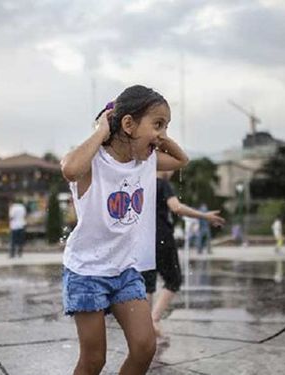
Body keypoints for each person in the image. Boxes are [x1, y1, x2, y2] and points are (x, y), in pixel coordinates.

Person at [60, 85, 188, 375]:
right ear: (128, 124)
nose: (162, 134)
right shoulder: (94, 162)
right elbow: (69, 169)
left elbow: (182, 160)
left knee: (145, 347)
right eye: (157, 124)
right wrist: (103, 128)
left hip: (124, 270)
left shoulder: (146, 161)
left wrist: (160, 134)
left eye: (165, 126)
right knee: (94, 360)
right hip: (87, 272)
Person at [142, 171, 224, 336]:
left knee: (148, 283)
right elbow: (176, 207)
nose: (173, 171)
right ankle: (154, 319)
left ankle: (144, 325)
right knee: (174, 279)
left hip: (143, 238)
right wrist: (204, 216)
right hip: (162, 237)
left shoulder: (142, 183)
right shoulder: (162, 184)